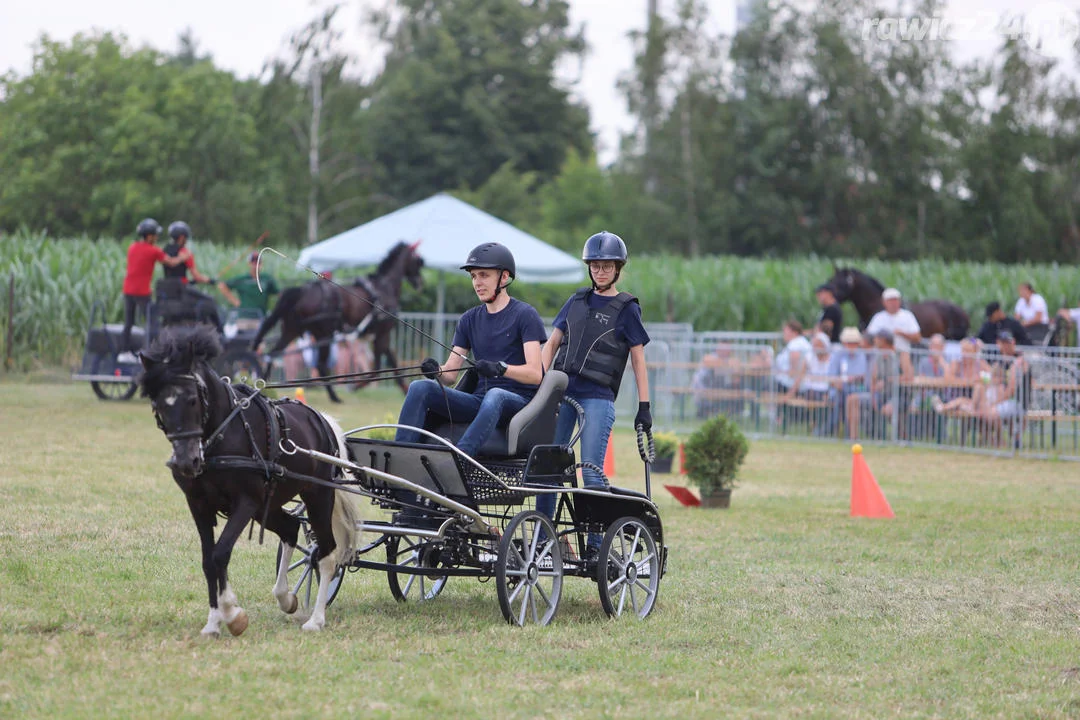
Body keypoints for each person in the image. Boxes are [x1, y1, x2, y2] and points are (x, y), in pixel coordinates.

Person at [538, 231, 651, 554]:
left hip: (597, 398)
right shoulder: (575, 301)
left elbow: (639, 360)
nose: (600, 271)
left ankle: (595, 544)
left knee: (590, 469)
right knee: (547, 465)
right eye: (595, 266)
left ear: (618, 268)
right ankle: (545, 537)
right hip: (561, 394)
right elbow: (551, 345)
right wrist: (541, 385)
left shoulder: (627, 308)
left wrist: (645, 407)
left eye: (607, 266)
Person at [395, 243, 547, 458]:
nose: (477, 282)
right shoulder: (469, 319)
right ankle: (400, 459)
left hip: (517, 403)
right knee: (420, 387)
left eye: (484, 275)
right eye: (474, 276)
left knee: (496, 395)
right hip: (481, 401)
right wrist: (434, 371)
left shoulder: (525, 315)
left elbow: (534, 375)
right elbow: (449, 375)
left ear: (504, 278)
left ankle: (459, 458)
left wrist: (501, 369)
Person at [118, 218, 189, 363]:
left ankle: (124, 352)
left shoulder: (132, 247)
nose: (157, 237)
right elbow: (171, 262)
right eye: (155, 235)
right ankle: (150, 352)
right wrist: (183, 257)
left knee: (128, 322)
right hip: (142, 292)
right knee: (152, 323)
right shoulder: (153, 250)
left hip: (128, 289)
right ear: (149, 236)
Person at [162, 220, 222, 331]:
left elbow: (173, 274)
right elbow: (197, 276)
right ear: (181, 237)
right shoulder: (185, 252)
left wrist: (189, 281)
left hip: (169, 291)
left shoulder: (164, 251)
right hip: (183, 291)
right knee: (210, 302)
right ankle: (220, 333)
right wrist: (210, 280)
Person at [218, 252, 280, 327]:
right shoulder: (242, 279)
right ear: (249, 264)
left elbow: (278, 293)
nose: (255, 265)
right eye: (253, 262)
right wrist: (235, 301)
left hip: (260, 318)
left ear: (261, 264)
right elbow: (222, 286)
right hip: (244, 318)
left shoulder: (267, 279)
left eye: (258, 262)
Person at [866, 287, 922, 352]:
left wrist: (902, 334)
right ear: (884, 302)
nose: (893, 303)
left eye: (895, 300)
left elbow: (918, 338)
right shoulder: (878, 317)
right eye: (890, 300)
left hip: (902, 354)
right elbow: (869, 336)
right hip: (881, 355)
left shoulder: (908, 316)